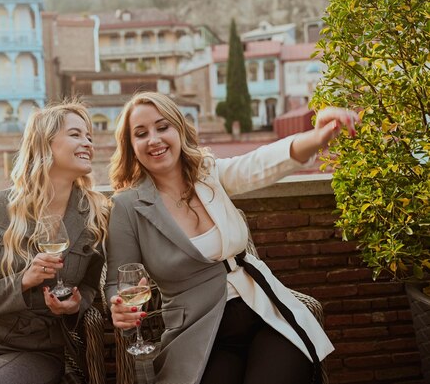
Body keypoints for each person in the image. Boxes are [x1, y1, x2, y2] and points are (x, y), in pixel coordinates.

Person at [106, 92, 358, 384]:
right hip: (199, 334)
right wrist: (119, 307)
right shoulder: (127, 206)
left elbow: (259, 163)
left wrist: (317, 137)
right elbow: (117, 281)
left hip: (265, 314)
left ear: (178, 130)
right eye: (141, 133)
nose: (154, 139)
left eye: (163, 127)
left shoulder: (208, 173)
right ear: (131, 145)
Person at [0, 102, 109, 384]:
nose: (87, 143)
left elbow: (90, 289)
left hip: (37, 348)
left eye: (89, 137)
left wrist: (74, 306)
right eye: (76, 134)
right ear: (45, 144)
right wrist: (23, 281)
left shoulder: (96, 216)